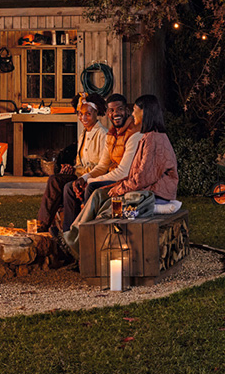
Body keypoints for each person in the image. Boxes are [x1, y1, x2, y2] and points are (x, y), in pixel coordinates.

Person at [61, 94, 178, 260]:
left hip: (156, 192)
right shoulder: (147, 136)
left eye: (135, 111)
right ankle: (72, 237)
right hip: (143, 186)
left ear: (144, 113)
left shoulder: (152, 139)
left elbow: (142, 178)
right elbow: (137, 174)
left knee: (104, 200)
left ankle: (81, 245)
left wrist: (119, 187)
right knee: (98, 194)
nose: (133, 115)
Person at [59, 93, 143, 231]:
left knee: (91, 188)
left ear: (127, 111)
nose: (115, 113)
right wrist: (84, 178)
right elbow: (103, 165)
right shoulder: (111, 134)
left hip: (126, 180)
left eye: (119, 109)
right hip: (112, 177)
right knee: (70, 187)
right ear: (107, 113)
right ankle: (68, 233)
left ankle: (86, 233)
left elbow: (123, 172)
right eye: (111, 110)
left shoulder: (133, 134)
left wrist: (90, 181)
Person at [35, 93, 108, 232]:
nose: (83, 118)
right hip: (79, 173)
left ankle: (67, 231)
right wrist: (71, 168)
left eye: (88, 114)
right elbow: (80, 161)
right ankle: (42, 225)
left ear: (96, 113)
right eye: (80, 114)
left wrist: (82, 174)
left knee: (68, 186)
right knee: (54, 180)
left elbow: (102, 165)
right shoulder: (83, 134)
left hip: (93, 176)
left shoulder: (102, 134)